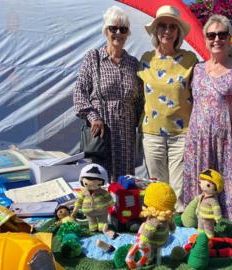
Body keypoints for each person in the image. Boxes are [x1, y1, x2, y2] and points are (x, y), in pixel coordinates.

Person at [183, 14, 232, 226]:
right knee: (201, 192)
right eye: (211, 35)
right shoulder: (196, 70)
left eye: (222, 34)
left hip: (229, 146)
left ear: (229, 38)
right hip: (199, 145)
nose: (217, 39)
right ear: (205, 39)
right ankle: (199, 238)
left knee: (229, 190)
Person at [138, 5, 198, 212]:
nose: (167, 30)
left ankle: (179, 235)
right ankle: (157, 233)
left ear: (178, 32)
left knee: (179, 191)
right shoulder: (145, 60)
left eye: (172, 26)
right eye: (162, 26)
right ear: (155, 31)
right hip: (152, 133)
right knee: (157, 188)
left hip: (181, 134)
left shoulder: (190, 60)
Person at [73, 6, 143, 179]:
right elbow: (79, 92)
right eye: (113, 28)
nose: (118, 33)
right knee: (98, 180)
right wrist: (93, 117)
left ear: (127, 34)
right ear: (106, 30)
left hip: (126, 134)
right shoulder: (94, 58)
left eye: (123, 29)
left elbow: (141, 100)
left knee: (124, 182)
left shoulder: (133, 63)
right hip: (101, 131)